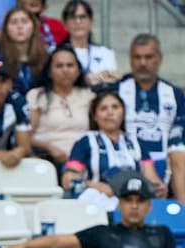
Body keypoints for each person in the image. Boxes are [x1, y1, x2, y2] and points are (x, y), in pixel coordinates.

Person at [0, 173, 180, 248]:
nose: (134, 206)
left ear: (149, 206)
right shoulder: (102, 233)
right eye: (128, 200)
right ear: (119, 204)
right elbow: (57, 241)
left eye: (140, 201)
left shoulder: (163, 233)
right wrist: (22, 246)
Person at [117, 34, 185, 204]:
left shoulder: (174, 94)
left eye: (148, 57)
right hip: (126, 157)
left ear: (159, 58)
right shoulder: (117, 90)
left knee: (179, 152)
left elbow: (178, 135)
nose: (143, 63)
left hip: (166, 161)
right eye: (137, 57)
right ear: (130, 60)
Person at [61, 91, 161, 206]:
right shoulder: (85, 142)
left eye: (115, 107)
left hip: (133, 201)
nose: (110, 112)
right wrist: (97, 186)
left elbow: (153, 179)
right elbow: (68, 181)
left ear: (123, 112)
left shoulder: (135, 143)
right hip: (98, 200)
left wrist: (159, 188)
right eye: (103, 109)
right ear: (95, 116)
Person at [27, 46, 92, 167]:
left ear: (78, 71)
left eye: (70, 65)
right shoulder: (37, 96)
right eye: (59, 66)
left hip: (84, 158)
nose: (65, 70)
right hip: (48, 158)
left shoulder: (88, 96)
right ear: (49, 72)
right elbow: (25, 137)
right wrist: (49, 148)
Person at [60, 0, 116, 85]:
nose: (78, 21)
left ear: (91, 22)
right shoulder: (56, 53)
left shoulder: (105, 53)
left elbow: (111, 80)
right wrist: (91, 78)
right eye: (72, 17)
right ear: (65, 24)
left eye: (82, 17)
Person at [0, 5, 46, 96]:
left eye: (24, 21)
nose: (19, 26)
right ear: (6, 29)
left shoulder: (46, 58)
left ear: (34, 27)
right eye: (14, 22)